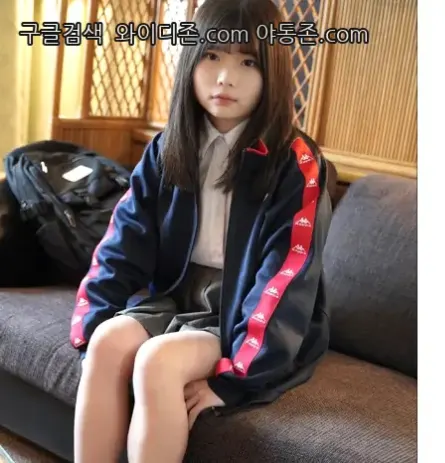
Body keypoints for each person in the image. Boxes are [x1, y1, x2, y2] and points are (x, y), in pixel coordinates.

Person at [67, 0, 332, 461]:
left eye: (247, 62)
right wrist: (93, 319)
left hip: (245, 311)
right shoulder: (168, 147)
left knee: (157, 362)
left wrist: (237, 379)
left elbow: (285, 276)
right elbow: (124, 240)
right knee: (106, 343)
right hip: (177, 294)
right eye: (211, 55)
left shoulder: (296, 164)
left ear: (272, 71)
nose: (225, 77)